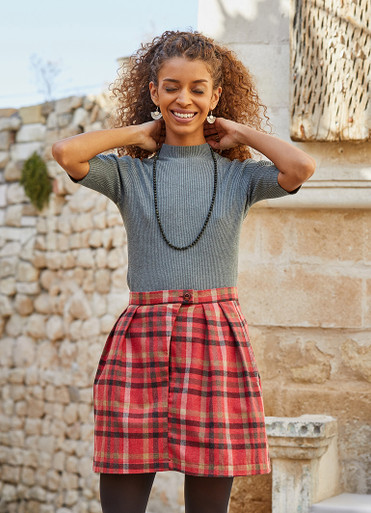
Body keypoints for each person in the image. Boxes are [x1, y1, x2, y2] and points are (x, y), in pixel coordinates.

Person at [52, 30, 315, 513]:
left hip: (216, 338)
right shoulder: (128, 173)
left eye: (198, 88)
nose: (184, 99)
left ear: (215, 96)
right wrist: (137, 135)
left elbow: (300, 167)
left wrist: (241, 134)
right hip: (141, 337)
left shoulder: (239, 176)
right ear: (154, 92)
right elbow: (67, 153)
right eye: (171, 86)